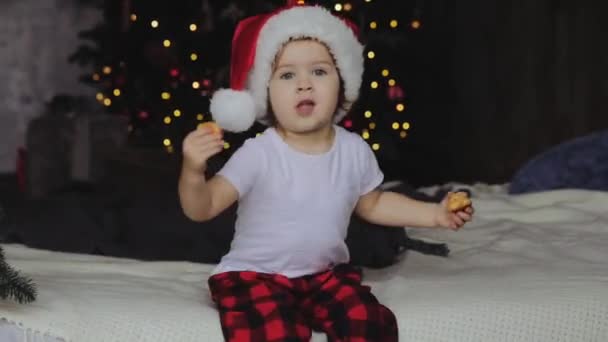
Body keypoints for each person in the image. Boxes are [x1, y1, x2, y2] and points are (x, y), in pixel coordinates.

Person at [178, 4, 474, 342]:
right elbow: (201, 208)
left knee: (368, 321)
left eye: (319, 72)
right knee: (271, 332)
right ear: (266, 95)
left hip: (323, 277)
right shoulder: (259, 153)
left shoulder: (353, 151)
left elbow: (373, 203)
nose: (304, 84)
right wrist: (192, 170)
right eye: (287, 75)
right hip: (255, 276)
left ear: (342, 86)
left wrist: (434, 214)